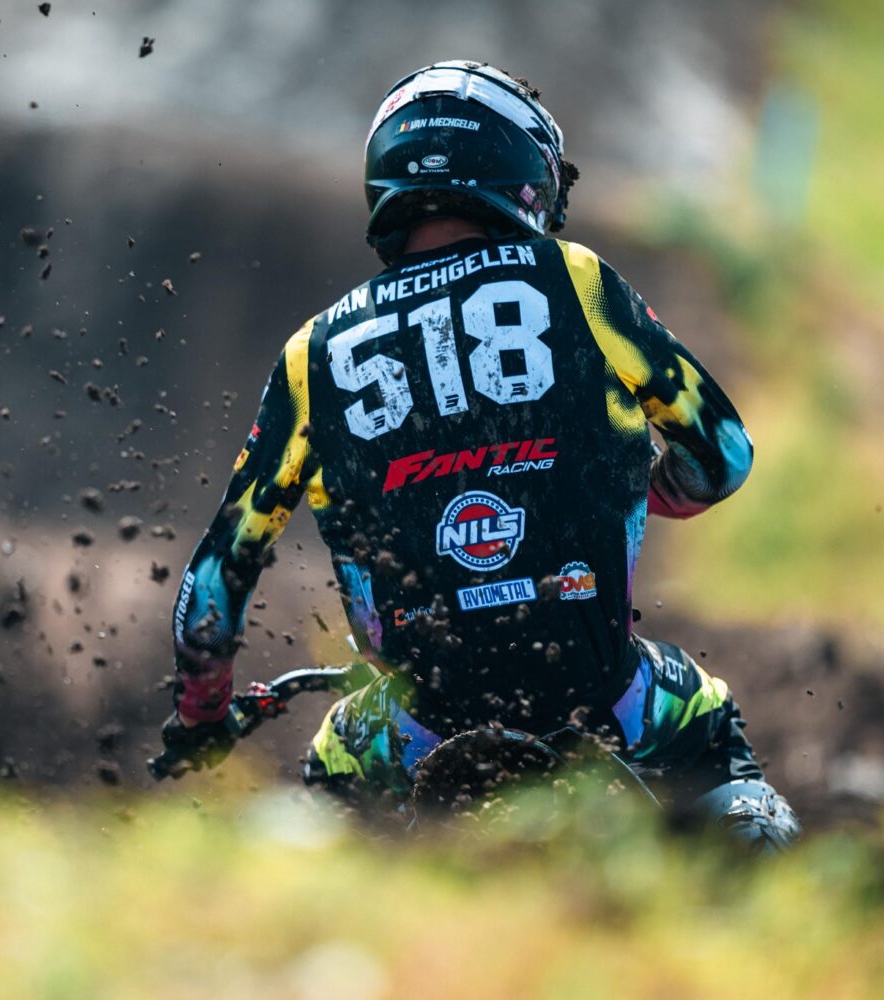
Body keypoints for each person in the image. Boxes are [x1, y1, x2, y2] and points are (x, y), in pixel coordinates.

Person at [162, 60, 801, 851]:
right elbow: (724, 457)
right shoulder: (576, 281)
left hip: (418, 727)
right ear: (519, 170)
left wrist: (203, 713)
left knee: (321, 797)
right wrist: (633, 485)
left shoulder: (313, 353)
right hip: (605, 702)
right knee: (718, 748)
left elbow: (216, 581)